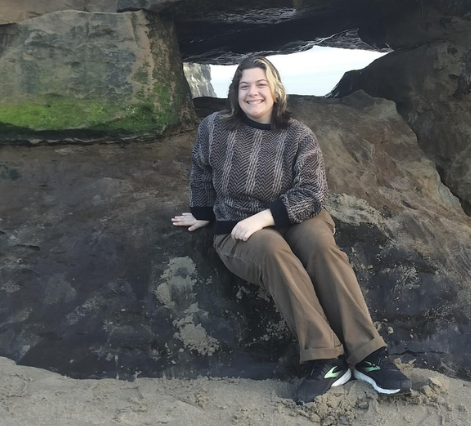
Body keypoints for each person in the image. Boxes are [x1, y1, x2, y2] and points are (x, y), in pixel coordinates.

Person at [171, 55, 411, 403]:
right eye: (244, 86)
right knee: (274, 253)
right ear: (234, 92)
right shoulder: (214, 128)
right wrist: (203, 212)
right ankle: (327, 359)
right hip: (237, 226)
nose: (252, 93)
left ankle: (370, 356)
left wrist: (263, 217)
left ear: (276, 90)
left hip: (292, 216)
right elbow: (201, 170)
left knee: (321, 247)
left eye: (261, 84)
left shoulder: (299, 135)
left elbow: (313, 193)